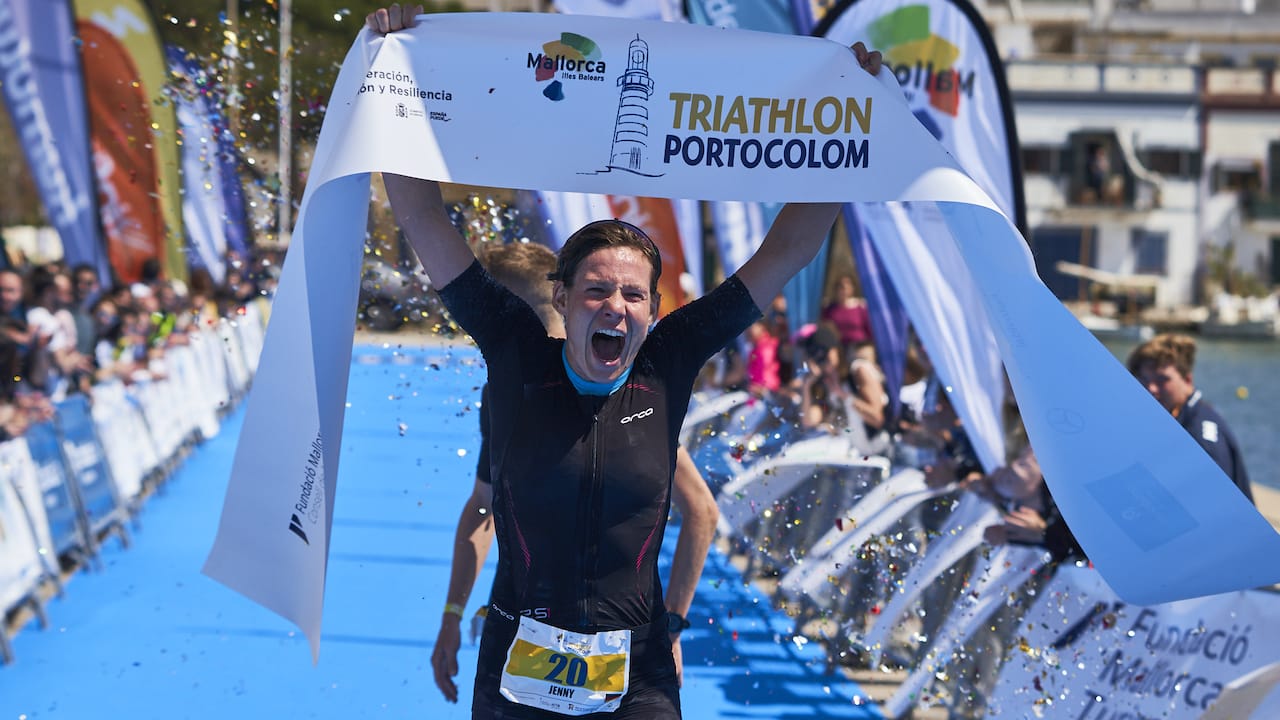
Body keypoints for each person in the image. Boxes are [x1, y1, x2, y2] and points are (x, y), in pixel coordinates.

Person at [368, 6, 882, 716]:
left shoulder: (668, 361)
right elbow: (424, 218)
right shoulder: (517, 352)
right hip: (517, 667)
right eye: (597, 290)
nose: (615, 306)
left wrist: (852, 114)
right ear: (563, 297)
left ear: (653, 306)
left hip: (636, 672)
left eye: (633, 294)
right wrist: (394, 77)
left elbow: (788, 249)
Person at [431, 242, 721, 703]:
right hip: (530, 632)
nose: (481, 327)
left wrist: (672, 625)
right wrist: (452, 612)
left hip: (621, 642)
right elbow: (483, 507)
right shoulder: (505, 393)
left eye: (489, 310)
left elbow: (702, 510)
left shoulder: (621, 389)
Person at [1127, 333, 1253, 504]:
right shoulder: (1178, 416)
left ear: (1187, 380)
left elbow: (1215, 503)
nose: (1151, 389)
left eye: (1162, 380)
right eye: (1143, 379)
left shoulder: (1202, 436)